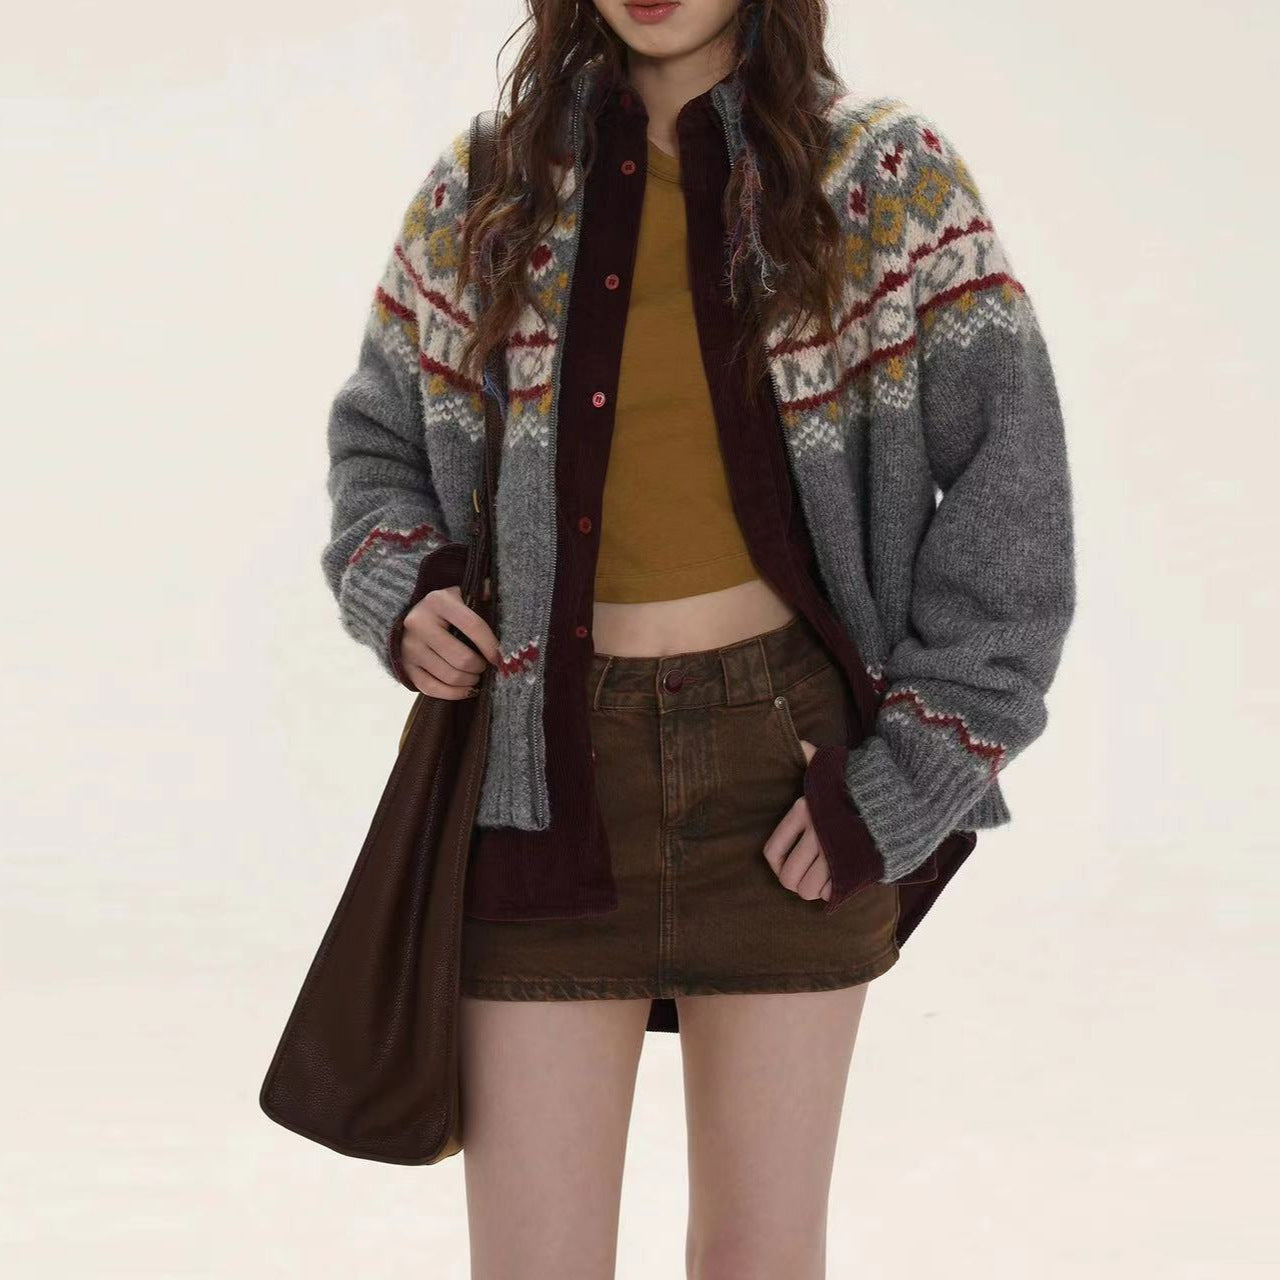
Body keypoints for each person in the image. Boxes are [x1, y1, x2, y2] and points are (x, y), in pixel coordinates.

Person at [320, 0, 1075, 1275]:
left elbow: (1014, 503)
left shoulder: (879, 179)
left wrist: (911, 775)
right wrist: (402, 587)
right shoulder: (487, 189)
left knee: (758, 1254)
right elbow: (378, 442)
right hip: (542, 777)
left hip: (785, 773)